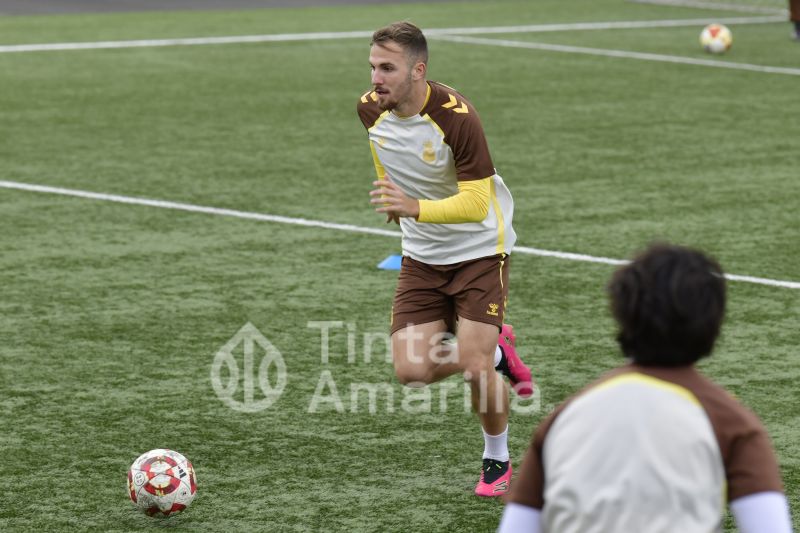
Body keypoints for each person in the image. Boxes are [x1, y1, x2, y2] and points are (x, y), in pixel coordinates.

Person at [499, 243, 793, 532]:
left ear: (621, 313)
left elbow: (517, 524)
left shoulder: (565, 415)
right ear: (714, 322)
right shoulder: (732, 423)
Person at [357, 21, 534, 497]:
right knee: (410, 372)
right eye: (373, 66)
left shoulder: (458, 119)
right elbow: (384, 151)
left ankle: (496, 458)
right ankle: (499, 349)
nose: (376, 78)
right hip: (422, 256)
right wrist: (394, 198)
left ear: (418, 70)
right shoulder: (369, 109)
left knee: (475, 367)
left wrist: (415, 207)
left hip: (479, 250)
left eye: (387, 68)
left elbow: (477, 204)